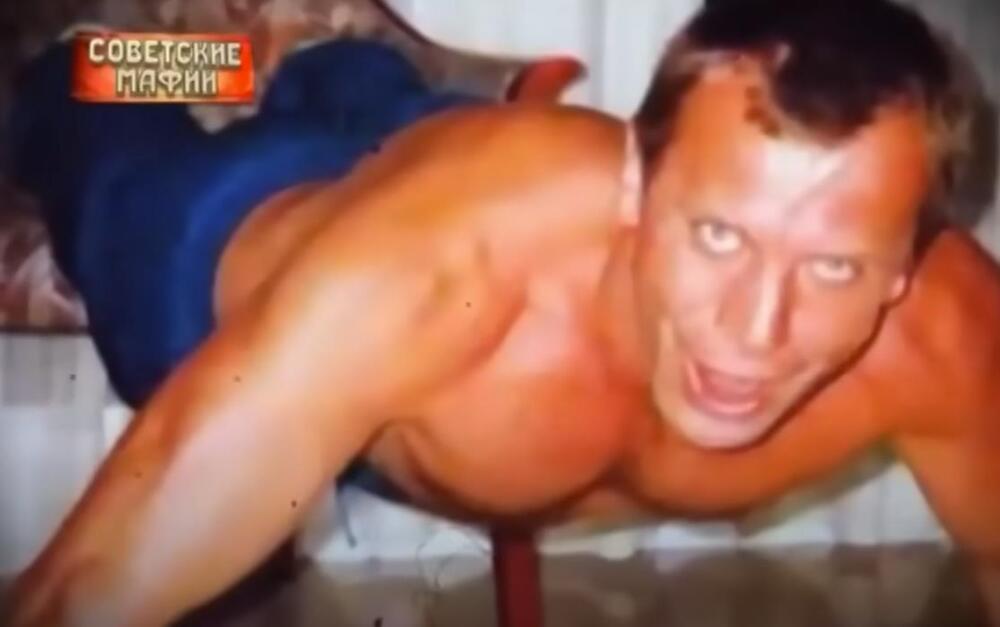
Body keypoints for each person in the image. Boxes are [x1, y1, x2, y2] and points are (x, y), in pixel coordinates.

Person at [5, 0, 1000, 624]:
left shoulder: (947, 340)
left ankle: (323, 59)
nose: (755, 330)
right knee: (108, 114)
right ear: (634, 189)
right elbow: (79, 598)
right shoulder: (426, 283)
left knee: (372, 89)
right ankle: (99, 60)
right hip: (242, 255)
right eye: (717, 235)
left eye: (833, 266)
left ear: (904, 266)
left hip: (461, 162)